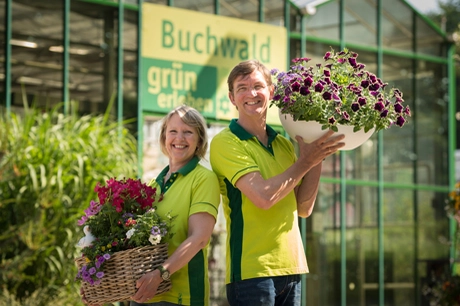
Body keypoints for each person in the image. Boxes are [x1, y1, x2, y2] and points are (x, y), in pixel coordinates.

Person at [209, 59, 345, 306]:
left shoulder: (283, 144)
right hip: (252, 272)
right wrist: (307, 160)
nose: (251, 94)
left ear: (271, 92)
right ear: (232, 98)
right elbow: (263, 197)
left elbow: (303, 207)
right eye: (242, 88)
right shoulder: (226, 142)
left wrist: (319, 153)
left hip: (292, 268)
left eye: (258, 86)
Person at [82, 105, 220, 306]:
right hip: (141, 295)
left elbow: (199, 238)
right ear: (164, 137)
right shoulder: (152, 187)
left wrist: (161, 274)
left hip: (180, 296)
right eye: (173, 131)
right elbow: (127, 244)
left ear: (199, 140)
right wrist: (99, 285)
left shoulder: (203, 179)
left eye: (188, 132)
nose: (179, 139)